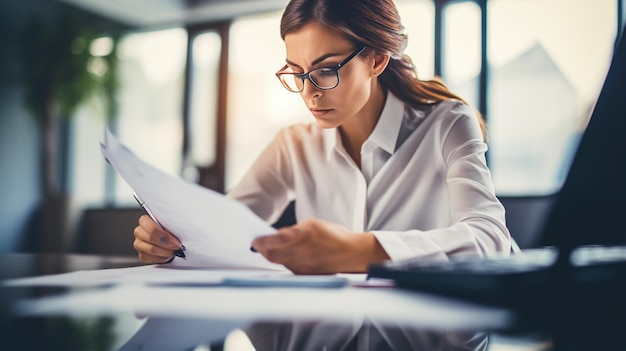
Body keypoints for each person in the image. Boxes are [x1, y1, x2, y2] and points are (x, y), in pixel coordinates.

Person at [133, 0, 512, 274]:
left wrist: (361, 250)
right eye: (297, 73)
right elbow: (225, 232)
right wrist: (173, 241)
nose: (309, 92)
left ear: (377, 60)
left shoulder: (447, 124)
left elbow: (491, 239)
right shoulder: (293, 145)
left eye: (326, 70)